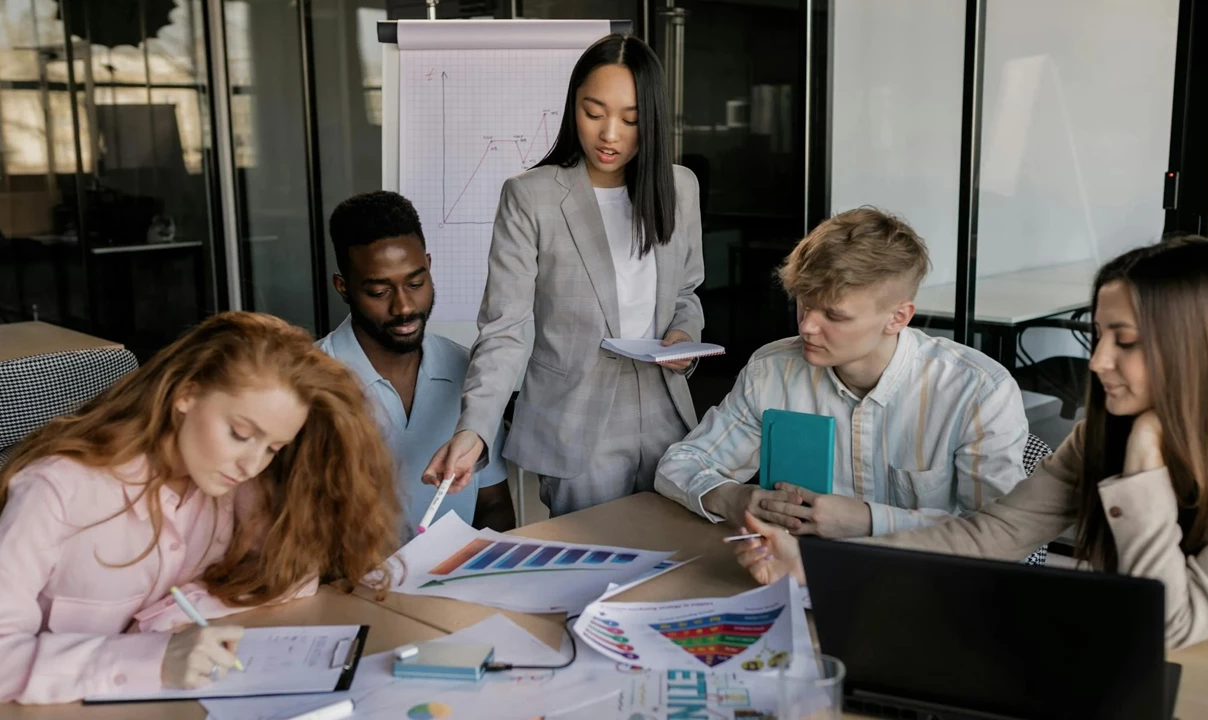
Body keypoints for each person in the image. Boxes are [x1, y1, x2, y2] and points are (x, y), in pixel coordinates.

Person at [735, 237, 1208, 650]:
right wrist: (816, 563)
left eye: (1127, 342)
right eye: (1098, 336)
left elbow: (1165, 623)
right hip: (1121, 663)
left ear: (1198, 349)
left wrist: (1141, 470)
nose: (1097, 362)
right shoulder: (1111, 429)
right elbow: (994, 533)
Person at [0, 312, 400, 704]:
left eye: (273, 448)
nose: (251, 465)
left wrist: (162, 621)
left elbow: (292, 572)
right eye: (240, 434)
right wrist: (152, 657)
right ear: (186, 395)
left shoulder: (233, 487)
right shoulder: (57, 490)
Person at [424, 34, 705, 517]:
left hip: (665, 412)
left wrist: (683, 335)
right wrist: (474, 430)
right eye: (593, 113)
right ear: (573, 106)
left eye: (630, 119)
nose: (610, 134)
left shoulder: (679, 187)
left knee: (673, 559)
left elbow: (686, 290)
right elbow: (504, 328)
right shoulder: (530, 196)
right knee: (592, 567)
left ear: (652, 120)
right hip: (576, 421)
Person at [656, 207, 1029, 539]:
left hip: (927, 587)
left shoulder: (977, 392)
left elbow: (1003, 535)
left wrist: (869, 521)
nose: (806, 327)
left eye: (834, 315)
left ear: (898, 317)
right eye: (804, 304)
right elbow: (680, 464)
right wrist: (735, 497)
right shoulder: (772, 371)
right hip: (796, 576)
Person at [317, 190, 515, 536]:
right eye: (379, 292)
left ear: (429, 266)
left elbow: (493, 505)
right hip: (354, 588)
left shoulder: (469, 372)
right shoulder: (308, 383)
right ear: (343, 287)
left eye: (415, 282)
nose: (405, 307)